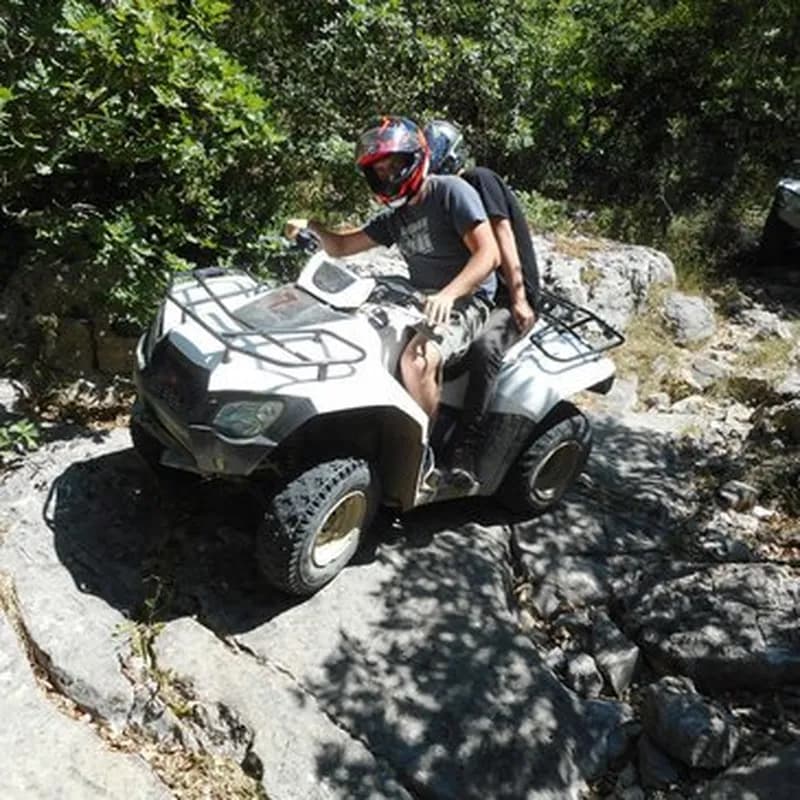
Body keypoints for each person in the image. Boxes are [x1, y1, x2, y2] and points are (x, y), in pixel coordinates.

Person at [301, 116, 500, 449]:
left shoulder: (450, 191)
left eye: (394, 165)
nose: (388, 175)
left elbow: (488, 254)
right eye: (379, 170)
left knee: (417, 358)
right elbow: (342, 246)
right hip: (420, 296)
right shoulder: (396, 217)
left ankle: (423, 450)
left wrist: (449, 295)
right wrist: (311, 226)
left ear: (414, 159)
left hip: (468, 299)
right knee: (357, 331)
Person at [423, 120, 540, 484]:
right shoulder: (438, 194)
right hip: (476, 291)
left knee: (484, 347)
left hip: (506, 292)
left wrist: (519, 297)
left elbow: (501, 236)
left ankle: (465, 450)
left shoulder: (478, 178)